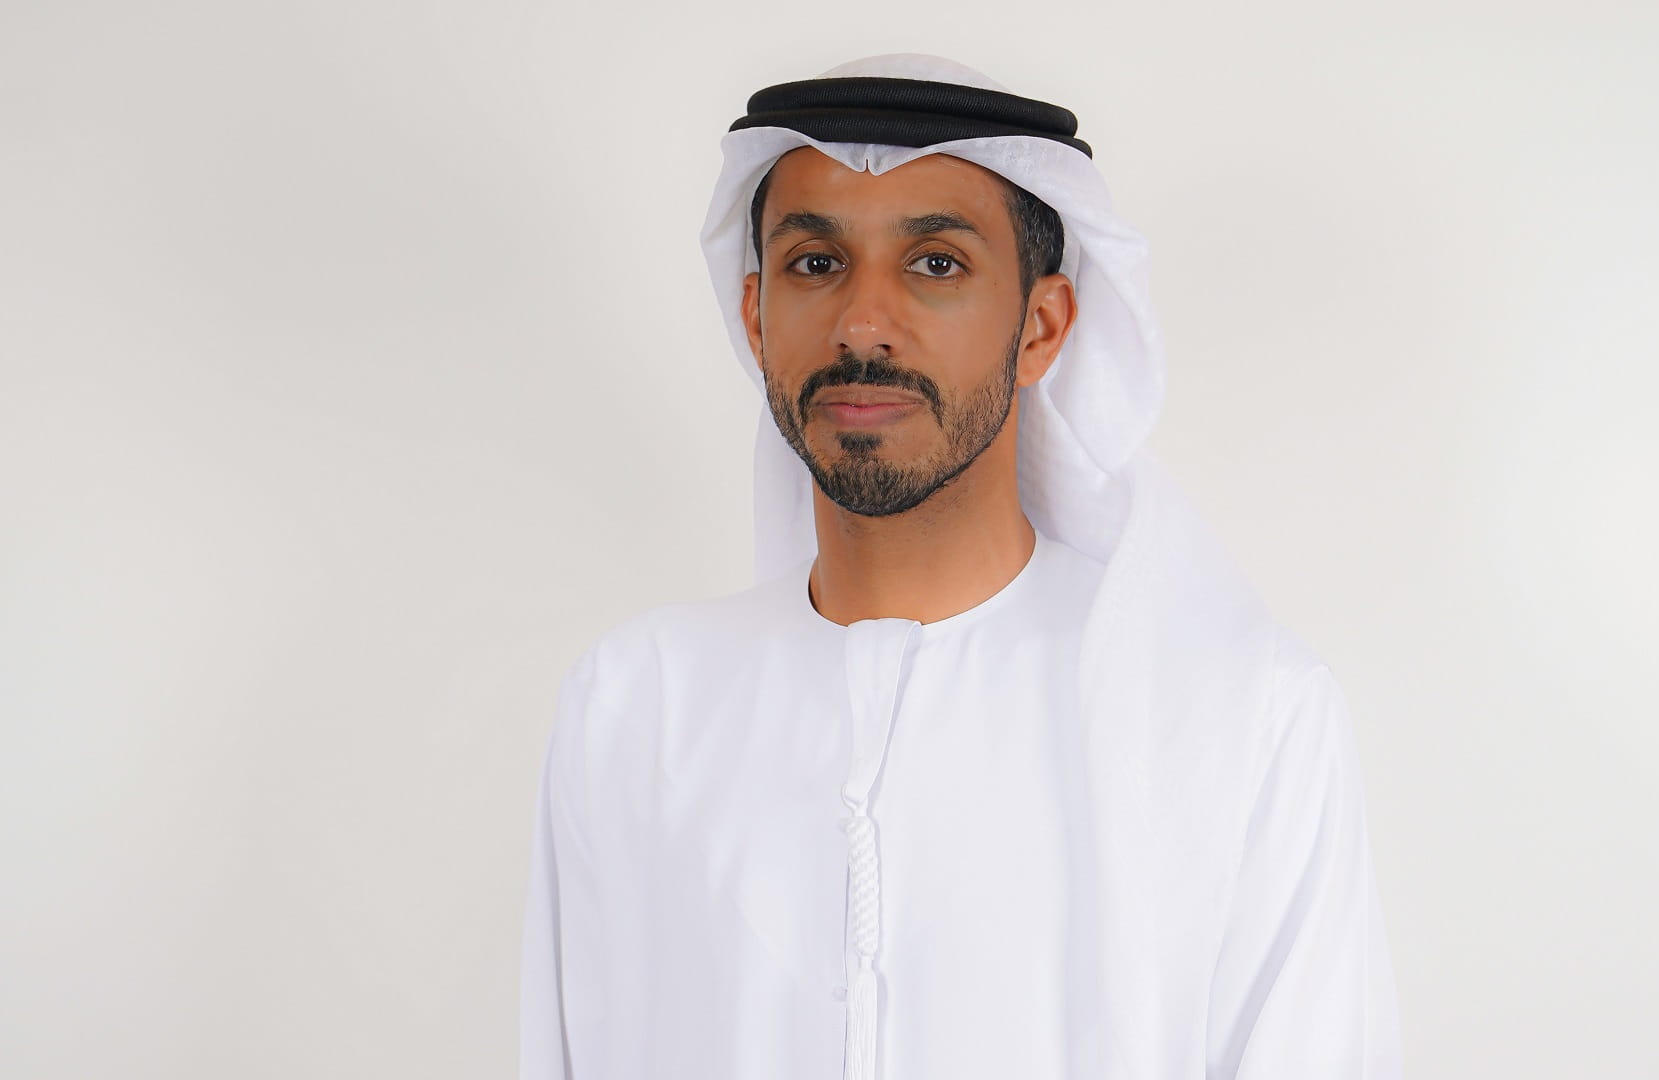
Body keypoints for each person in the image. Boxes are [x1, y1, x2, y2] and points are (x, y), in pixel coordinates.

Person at [519, 53, 1402, 1080]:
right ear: (757, 317)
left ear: (1041, 327)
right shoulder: (636, 706)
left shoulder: (1238, 719)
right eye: (816, 263)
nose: (862, 324)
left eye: (935, 264)